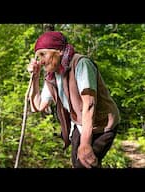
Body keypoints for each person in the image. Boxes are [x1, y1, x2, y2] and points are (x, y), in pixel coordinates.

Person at [27, 31, 120, 168]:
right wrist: (35, 78)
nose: (40, 60)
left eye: (43, 54)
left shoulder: (81, 64)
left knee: (84, 163)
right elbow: (37, 106)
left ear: (58, 51)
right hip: (80, 123)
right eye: (37, 56)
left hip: (102, 124)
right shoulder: (52, 77)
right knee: (80, 163)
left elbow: (89, 104)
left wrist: (85, 144)